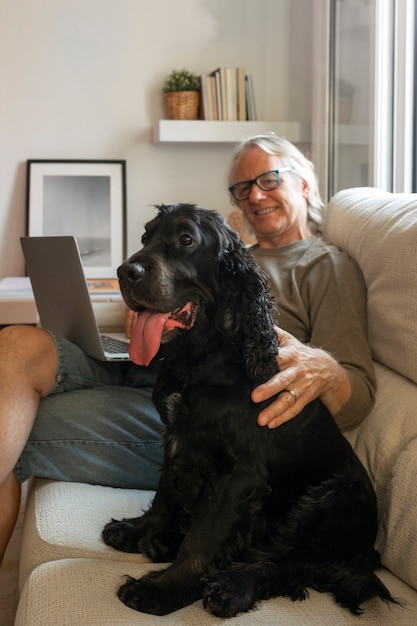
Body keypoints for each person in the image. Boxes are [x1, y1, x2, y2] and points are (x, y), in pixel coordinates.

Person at [0, 133, 375, 565]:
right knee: (16, 344)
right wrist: (149, 309)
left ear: (305, 184)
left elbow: (359, 393)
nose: (254, 194)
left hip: (212, 421)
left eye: (269, 179)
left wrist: (321, 366)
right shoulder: (223, 252)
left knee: (18, 424)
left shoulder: (323, 264)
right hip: (155, 369)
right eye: (242, 187)